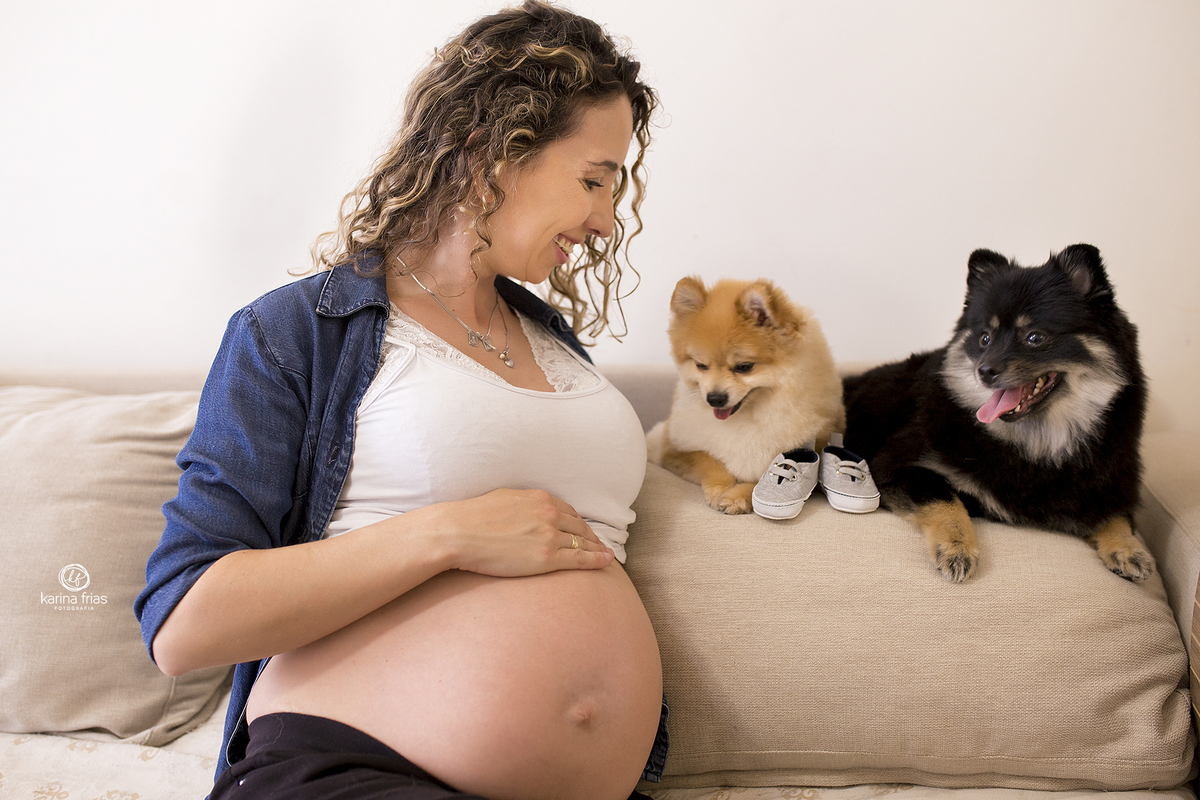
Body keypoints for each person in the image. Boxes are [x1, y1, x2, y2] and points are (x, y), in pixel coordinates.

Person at [134, 2, 666, 798]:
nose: (603, 221)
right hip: (349, 770)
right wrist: (448, 533)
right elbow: (182, 624)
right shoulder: (300, 333)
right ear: (495, 150)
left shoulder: (557, 344)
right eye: (593, 180)